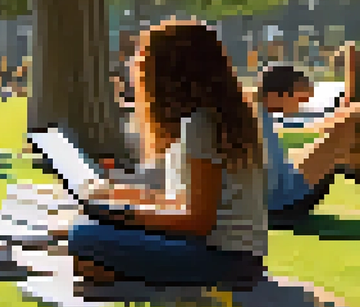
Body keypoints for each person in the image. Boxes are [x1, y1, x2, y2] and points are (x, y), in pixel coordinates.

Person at [67, 20, 268, 291]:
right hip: (228, 255)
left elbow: (198, 222)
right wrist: (123, 198)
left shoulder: (201, 125)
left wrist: (124, 216)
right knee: (89, 237)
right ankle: (116, 267)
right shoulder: (211, 119)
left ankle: (118, 267)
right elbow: (185, 201)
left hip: (223, 259)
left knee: (83, 235)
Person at [252, 65, 359, 228]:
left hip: (281, 195)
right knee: (354, 116)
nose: (301, 107)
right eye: (300, 99)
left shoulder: (260, 114)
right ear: (277, 95)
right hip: (281, 203)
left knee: (347, 148)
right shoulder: (255, 120)